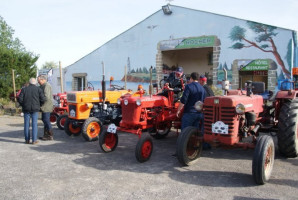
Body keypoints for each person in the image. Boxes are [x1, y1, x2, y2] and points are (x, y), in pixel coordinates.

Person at [18, 78, 46, 144]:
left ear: (29, 82)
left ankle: (27, 140)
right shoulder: (39, 89)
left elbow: (20, 99)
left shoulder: (24, 89)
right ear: (35, 83)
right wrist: (39, 105)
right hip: (35, 109)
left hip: (26, 109)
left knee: (26, 124)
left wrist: (23, 105)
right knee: (34, 124)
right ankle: (34, 140)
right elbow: (43, 99)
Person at [38, 75, 54, 140]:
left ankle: (50, 135)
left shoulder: (46, 86)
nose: (38, 82)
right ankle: (46, 134)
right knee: (44, 119)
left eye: (39, 80)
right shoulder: (42, 86)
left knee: (46, 120)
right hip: (44, 105)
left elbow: (46, 97)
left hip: (46, 105)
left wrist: (40, 101)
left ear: (43, 80)